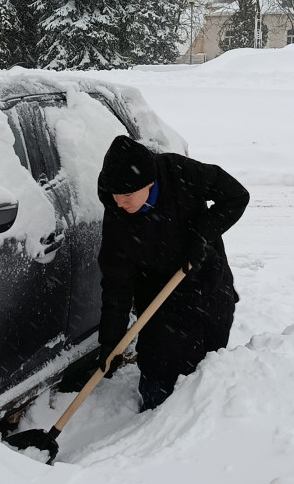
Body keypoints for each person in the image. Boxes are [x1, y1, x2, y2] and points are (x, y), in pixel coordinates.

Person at [96, 134, 250, 411]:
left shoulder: (181, 173)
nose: (119, 202)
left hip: (206, 278)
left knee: (210, 360)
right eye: (115, 194)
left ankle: (210, 426)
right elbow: (116, 284)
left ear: (149, 183)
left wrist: (201, 236)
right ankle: (155, 426)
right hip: (159, 296)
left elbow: (236, 196)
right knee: (160, 368)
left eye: (127, 194)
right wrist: (111, 342)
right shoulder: (117, 216)